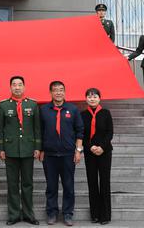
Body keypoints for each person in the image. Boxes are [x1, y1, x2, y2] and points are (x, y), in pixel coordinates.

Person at [39, 81, 84, 226]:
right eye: (55, 90)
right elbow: (39, 131)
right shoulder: (44, 110)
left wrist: (78, 151)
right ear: (50, 92)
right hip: (50, 155)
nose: (58, 93)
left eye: (61, 90)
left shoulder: (73, 109)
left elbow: (80, 131)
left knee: (68, 186)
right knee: (51, 186)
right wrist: (40, 150)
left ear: (65, 92)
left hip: (68, 155)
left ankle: (68, 214)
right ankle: (52, 213)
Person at [0, 76, 41, 226]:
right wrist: (1, 149)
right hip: (10, 150)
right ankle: (14, 215)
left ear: (24, 87)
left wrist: (37, 147)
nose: (17, 87)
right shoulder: (3, 105)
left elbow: (37, 128)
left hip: (28, 149)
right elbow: (0, 129)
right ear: (10, 87)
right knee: (12, 184)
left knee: (28, 183)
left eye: (20, 85)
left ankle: (29, 214)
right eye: (14, 85)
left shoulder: (33, 104)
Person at [80, 88, 113, 225]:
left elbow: (110, 133)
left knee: (104, 182)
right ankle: (95, 214)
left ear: (100, 98)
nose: (92, 99)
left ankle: (105, 215)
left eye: (95, 96)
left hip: (105, 152)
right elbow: (81, 134)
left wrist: (102, 147)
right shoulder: (83, 115)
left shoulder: (106, 113)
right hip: (90, 152)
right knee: (92, 182)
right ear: (86, 99)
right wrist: (90, 147)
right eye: (89, 96)